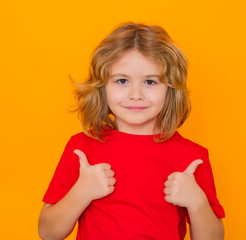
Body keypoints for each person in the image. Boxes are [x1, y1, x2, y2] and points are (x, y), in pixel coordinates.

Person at [38, 22, 225, 240]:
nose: (136, 94)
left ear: (170, 89)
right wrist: (81, 192)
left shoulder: (192, 158)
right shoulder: (81, 149)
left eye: (150, 81)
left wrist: (197, 202)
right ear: (102, 86)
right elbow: (47, 233)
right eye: (122, 81)